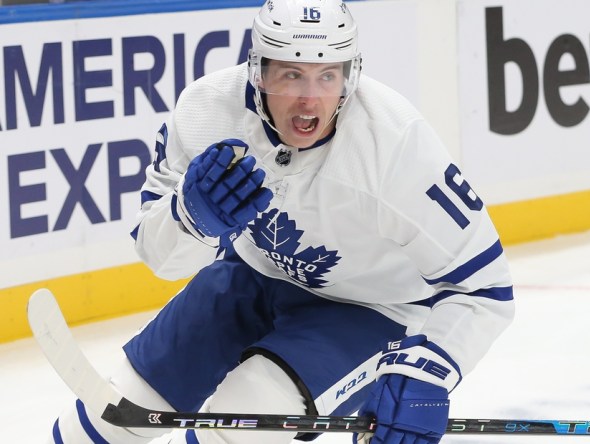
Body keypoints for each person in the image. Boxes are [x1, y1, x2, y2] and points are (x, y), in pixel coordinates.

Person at [48, 0, 514, 443]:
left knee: (241, 418)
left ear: (350, 76)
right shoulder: (207, 111)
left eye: (327, 76)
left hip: (371, 311)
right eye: (291, 74)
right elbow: (160, 258)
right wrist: (189, 219)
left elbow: (487, 290)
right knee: (104, 417)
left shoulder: (396, 147)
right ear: (259, 72)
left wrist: (430, 370)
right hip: (253, 276)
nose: (310, 100)